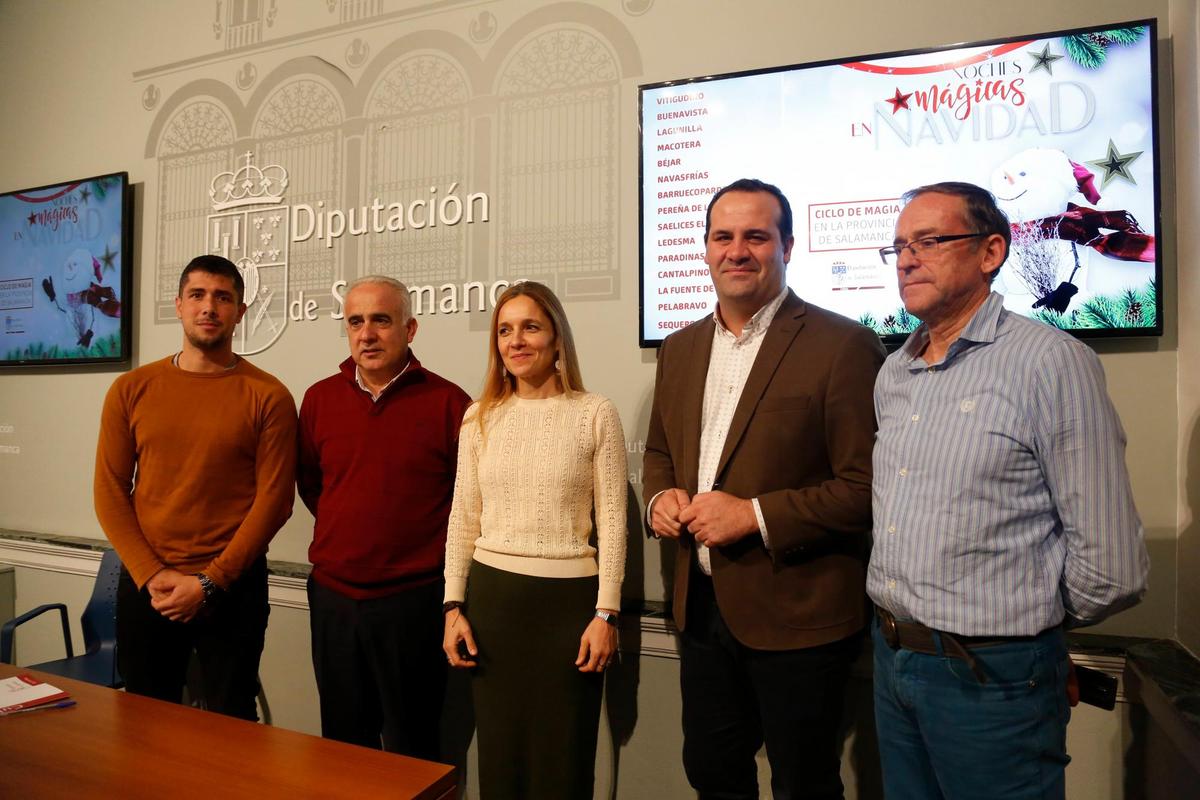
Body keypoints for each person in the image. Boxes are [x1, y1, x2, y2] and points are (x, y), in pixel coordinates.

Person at [869, 181, 1149, 800]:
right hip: (892, 662)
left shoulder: (1052, 362)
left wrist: (1024, 632)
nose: (908, 258)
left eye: (929, 241)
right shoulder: (895, 371)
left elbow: (1113, 566)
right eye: (898, 247)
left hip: (992, 679)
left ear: (991, 251)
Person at [643, 178, 885, 799]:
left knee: (803, 784)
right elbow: (661, 455)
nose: (738, 250)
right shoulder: (679, 347)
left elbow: (866, 488)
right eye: (723, 236)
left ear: (788, 246)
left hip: (800, 618)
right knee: (713, 774)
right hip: (700, 611)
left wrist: (753, 515)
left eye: (757, 236)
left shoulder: (844, 345)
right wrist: (660, 498)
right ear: (703, 248)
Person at [442, 281, 627, 798]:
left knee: (561, 767)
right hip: (494, 607)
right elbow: (464, 517)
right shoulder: (479, 417)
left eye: (530, 327)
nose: (516, 340)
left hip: (569, 613)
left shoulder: (594, 412)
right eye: (504, 330)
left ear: (556, 338)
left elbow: (613, 520)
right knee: (500, 765)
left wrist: (606, 614)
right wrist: (453, 605)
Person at [94, 254, 297, 720]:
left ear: (240, 312)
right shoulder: (131, 389)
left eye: (223, 297)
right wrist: (152, 574)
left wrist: (210, 582)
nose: (210, 307)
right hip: (150, 587)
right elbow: (109, 489)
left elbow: (275, 500)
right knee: (145, 724)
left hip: (232, 589)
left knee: (230, 726)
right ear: (179, 305)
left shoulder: (269, 396)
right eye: (198, 295)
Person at [298, 275, 470, 757]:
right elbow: (313, 486)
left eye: (381, 320)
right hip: (334, 599)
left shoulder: (450, 404)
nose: (367, 334)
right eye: (355, 322)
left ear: (410, 329)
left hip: (413, 602)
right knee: (342, 743)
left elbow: (467, 506)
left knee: (415, 746)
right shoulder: (318, 400)